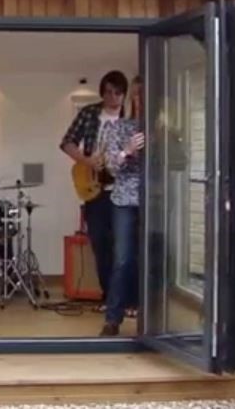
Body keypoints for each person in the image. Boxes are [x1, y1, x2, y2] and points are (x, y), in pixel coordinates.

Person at [60, 70, 129, 312]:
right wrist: (86, 160)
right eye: (108, 92)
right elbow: (67, 142)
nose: (113, 97)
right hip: (94, 189)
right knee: (100, 243)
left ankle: (128, 300)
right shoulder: (90, 113)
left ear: (124, 94)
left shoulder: (130, 116)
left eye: (118, 92)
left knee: (124, 247)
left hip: (123, 190)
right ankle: (108, 298)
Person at [98, 106, 144, 336]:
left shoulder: (164, 126)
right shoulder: (119, 127)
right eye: (137, 95)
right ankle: (113, 319)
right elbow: (111, 168)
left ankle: (154, 321)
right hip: (124, 201)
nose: (141, 100)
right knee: (123, 259)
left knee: (155, 260)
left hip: (155, 200)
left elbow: (180, 160)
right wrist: (127, 151)